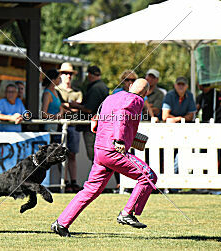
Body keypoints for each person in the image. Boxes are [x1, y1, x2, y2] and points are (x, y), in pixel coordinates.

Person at [51, 79, 157, 237]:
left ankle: (61, 223)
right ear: (146, 93)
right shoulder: (136, 100)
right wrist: (120, 140)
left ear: (130, 86)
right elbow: (122, 115)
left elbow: (97, 117)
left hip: (100, 149)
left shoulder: (111, 97)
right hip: (113, 149)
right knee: (148, 177)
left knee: (90, 189)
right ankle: (127, 213)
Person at [70, 65, 109, 163]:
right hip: (100, 126)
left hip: (92, 127)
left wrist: (75, 105)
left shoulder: (95, 88)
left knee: (94, 155)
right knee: (98, 155)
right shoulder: (103, 86)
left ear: (90, 75)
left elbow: (88, 109)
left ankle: (97, 177)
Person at [56, 62, 83, 193]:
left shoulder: (77, 92)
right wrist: (69, 107)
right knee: (61, 155)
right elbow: (60, 108)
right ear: (60, 74)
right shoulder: (55, 90)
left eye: (70, 74)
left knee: (72, 155)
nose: (68, 76)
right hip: (59, 126)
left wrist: (65, 106)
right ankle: (64, 182)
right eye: (65, 73)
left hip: (73, 126)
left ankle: (73, 181)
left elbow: (77, 109)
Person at [41, 69, 64, 142]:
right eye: (58, 78)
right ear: (53, 80)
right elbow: (43, 114)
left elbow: (60, 108)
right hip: (49, 128)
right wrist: (55, 116)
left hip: (56, 127)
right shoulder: (47, 94)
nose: (60, 80)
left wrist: (61, 112)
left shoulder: (55, 92)